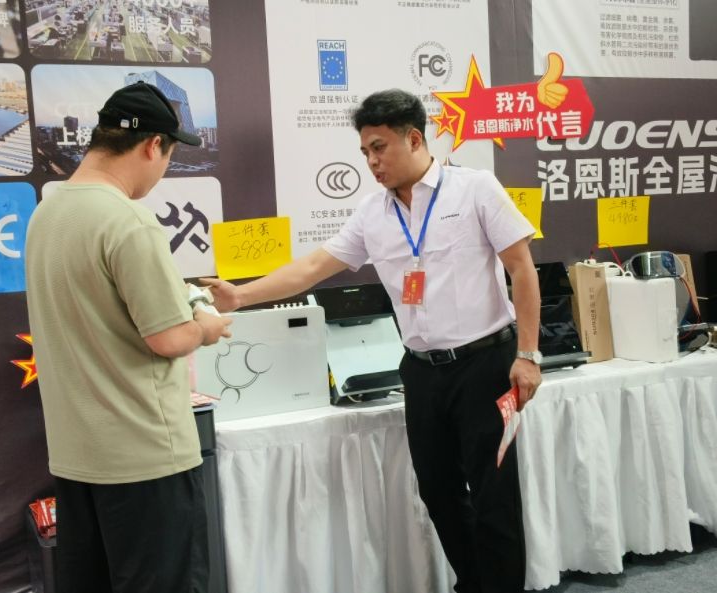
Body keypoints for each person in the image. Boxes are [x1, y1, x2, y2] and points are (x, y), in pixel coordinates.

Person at [205, 88, 541, 593]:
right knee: (439, 492)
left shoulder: (475, 189)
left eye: (379, 147)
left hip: (485, 365)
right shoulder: (372, 213)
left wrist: (528, 355)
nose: (371, 162)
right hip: (422, 371)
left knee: (494, 496)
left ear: (414, 138)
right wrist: (240, 296)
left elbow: (522, 269)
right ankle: (475, 584)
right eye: (365, 151)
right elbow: (312, 268)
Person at [25, 81, 232, 593]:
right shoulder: (128, 221)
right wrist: (207, 327)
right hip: (145, 457)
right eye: (169, 156)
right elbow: (168, 339)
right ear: (152, 146)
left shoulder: (47, 212)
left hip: (77, 456)